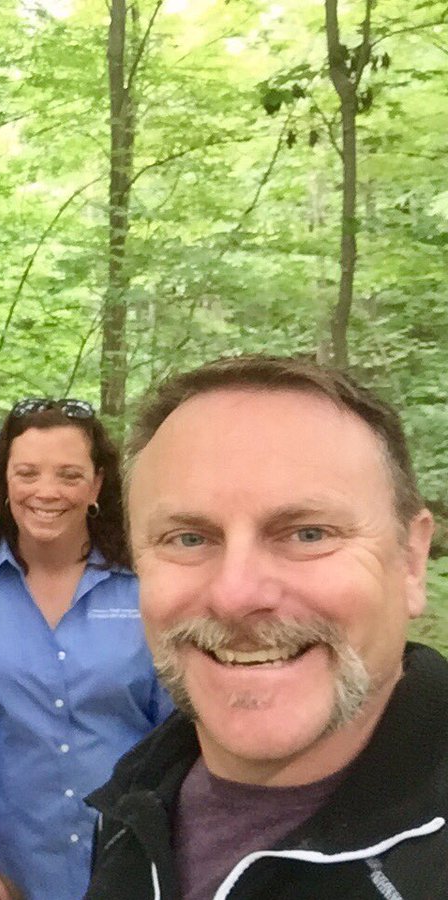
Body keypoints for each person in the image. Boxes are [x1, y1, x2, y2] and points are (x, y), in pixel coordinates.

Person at [85, 355, 444, 900]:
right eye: (188, 538)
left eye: (307, 534)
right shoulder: (134, 802)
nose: (236, 595)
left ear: (411, 560)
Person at [0, 398, 172, 900]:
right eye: (27, 473)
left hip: (131, 861)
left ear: (97, 485)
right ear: (4, 482)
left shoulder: (146, 586)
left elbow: (175, 736)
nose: (46, 492)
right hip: (7, 869)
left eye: (68, 474)